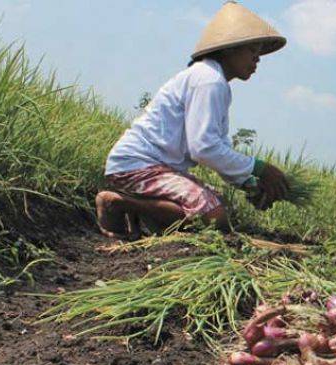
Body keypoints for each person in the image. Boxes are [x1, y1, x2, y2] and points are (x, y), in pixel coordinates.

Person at [95, 1, 289, 239]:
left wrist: (247, 181)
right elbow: (203, 149)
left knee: (219, 204)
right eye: (252, 51)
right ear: (229, 49)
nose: (257, 59)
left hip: (155, 167)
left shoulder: (215, 82)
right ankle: (120, 204)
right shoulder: (209, 81)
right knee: (214, 216)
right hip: (137, 165)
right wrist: (260, 167)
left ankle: (138, 209)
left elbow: (218, 146)